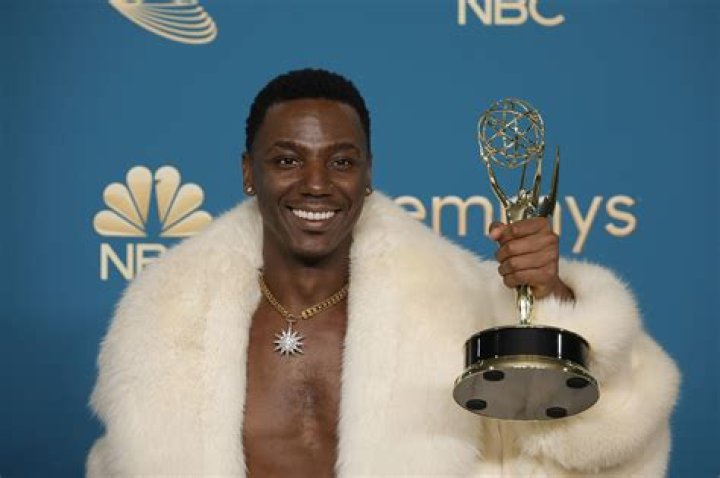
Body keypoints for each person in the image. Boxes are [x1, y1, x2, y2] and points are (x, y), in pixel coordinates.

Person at [87, 68, 679, 477]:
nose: (316, 184)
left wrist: (548, 294)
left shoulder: (454, 303)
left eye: (341, 162)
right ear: (249, 173)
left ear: (368, 175)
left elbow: (603, 442)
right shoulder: (165, 325)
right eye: (287, 160)